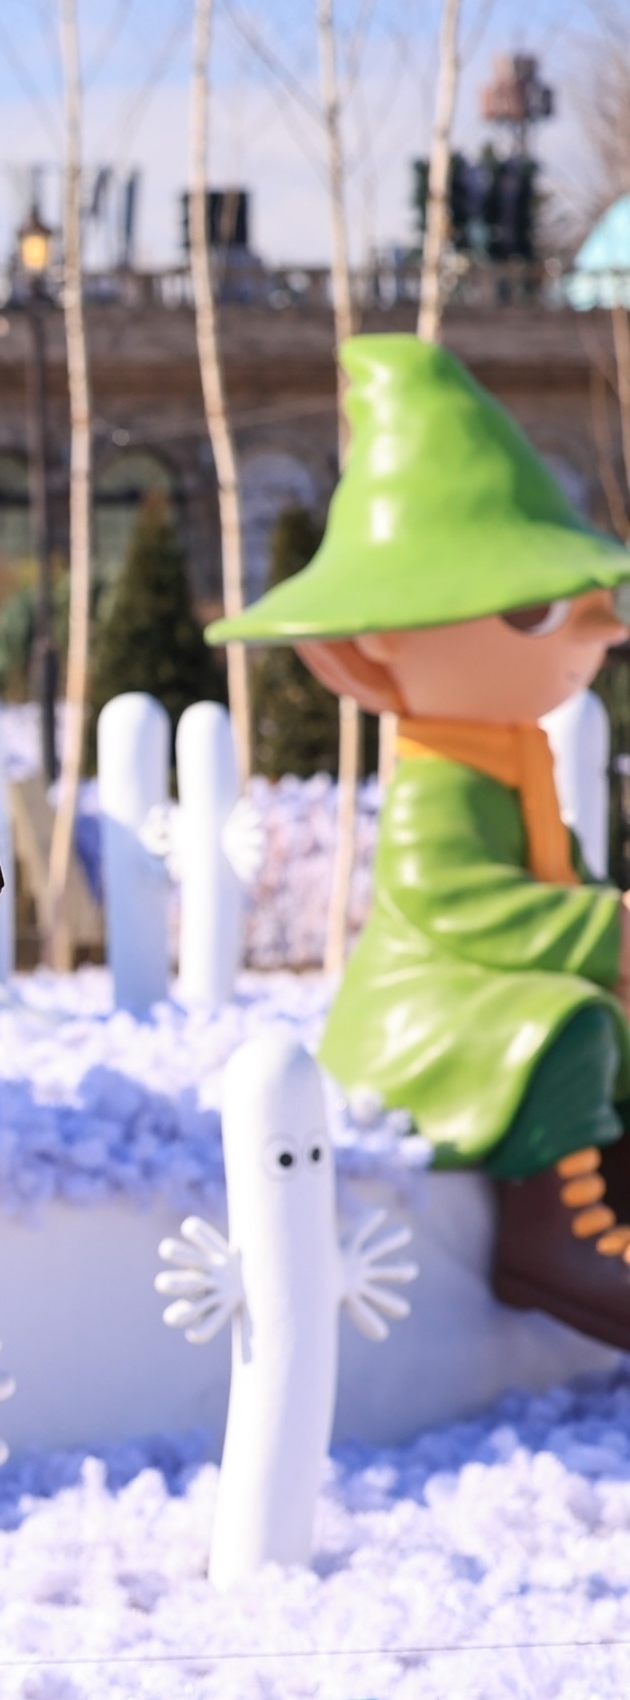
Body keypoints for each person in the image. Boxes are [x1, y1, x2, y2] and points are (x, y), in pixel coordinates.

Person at [208, 333, 630, 1349]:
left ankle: (606, 1208)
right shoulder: (439, 779)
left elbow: (546, 883)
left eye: (591, 605)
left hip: (470, 986)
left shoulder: (506, 760)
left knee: (607, 1012)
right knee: (567, 1022)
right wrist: (603, 929)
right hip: (425, 1009)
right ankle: (551, 1232)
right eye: (536, 608)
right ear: (381, 636)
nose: (593, 632)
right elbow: (459, 905)